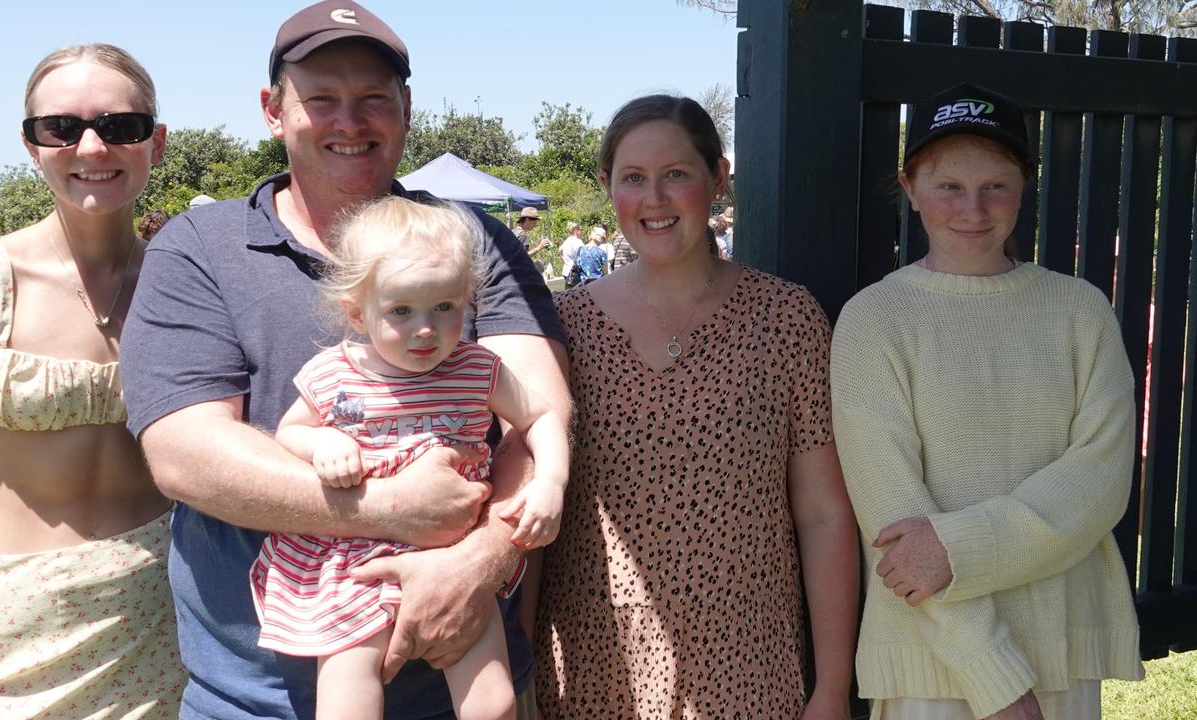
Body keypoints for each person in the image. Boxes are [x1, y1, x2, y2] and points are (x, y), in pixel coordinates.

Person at [119, 2, 571, 719]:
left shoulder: (469, 241)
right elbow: (185, 454)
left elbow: (542, 413)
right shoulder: (198, 248)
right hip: (255, 699)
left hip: (462, 684)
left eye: (372, 100)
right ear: (273, 110)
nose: (349, 122)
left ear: (407, 109)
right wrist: (393, 508)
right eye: (321, 99)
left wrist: (478, 560)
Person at [534, 94, 859, 719]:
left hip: (747, 665)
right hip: (595, 668)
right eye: (634, 178)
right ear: (608, 187)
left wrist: (832, 688)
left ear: (717, 178)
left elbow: (823, 514)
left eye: (676, 174)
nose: (654, 198)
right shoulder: (564, 329)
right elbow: (533, 517)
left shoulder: (786, 318)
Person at [831, 83, 1144, 720]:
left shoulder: (1079, 311)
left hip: (1063, 649)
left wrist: (957, 548)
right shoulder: (875, 320)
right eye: (948, 186)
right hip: (935, 662)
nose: (973, 208)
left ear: (1022, 187)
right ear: (912, 189)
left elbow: (1101, 481)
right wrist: (991, 670)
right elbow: (896, 525)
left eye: (995, 185)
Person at [0, 43, 183, 718]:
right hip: (8, 626)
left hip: (162, 614)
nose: (92, 147)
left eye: (120, 126)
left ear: (155, 142)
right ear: (31, 145)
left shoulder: (184, 291)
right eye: (61, 128)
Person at [252, 197, 570, 720]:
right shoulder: (336, 374)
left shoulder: (476, 368)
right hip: (354, 560)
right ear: (358, 311)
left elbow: (540, 418)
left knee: (495, 704)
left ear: (467, 301)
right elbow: (292, 431)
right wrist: (325, 444)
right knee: (349, 701)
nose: (426, 329)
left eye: (444, 307)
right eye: (401, 311)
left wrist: (550, 483)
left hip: (456, 555)